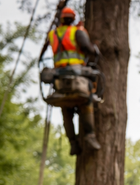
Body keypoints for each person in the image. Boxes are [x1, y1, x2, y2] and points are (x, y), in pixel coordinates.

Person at [48, 6, 101, 155]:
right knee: (86, 101)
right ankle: (90, 136)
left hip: (59, 76)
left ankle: (73, 142)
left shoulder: (53, 34)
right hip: (76, 74)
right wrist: (94, 48)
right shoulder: (76, 32)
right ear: (72, 19)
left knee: (66, 108)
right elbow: (86, 48)